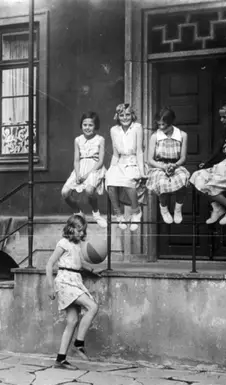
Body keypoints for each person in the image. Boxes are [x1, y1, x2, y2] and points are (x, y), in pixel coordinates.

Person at [45, 214, 100, 370]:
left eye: (83, 231)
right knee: (93, 307)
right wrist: (50, 286)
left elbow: (77, 265)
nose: (81, 233)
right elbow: (49, 264)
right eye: (79, 230)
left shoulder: (78, 245)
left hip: (75, 281)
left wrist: (91, 272)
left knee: (72, 321)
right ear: (70, 228)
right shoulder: (63, 243)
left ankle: (60, 359)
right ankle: (79, 343)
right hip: (65, 282)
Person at [105, 103, 147, 231]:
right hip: (120, 162)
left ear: (132, 115)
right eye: (121, 115)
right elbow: (115, 154)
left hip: (134, 161)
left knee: (128, 181)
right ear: (117, 116)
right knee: (110, 182)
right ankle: (119, 215)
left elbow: (139, 151)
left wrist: (142, 171)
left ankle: (136, 212)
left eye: (127, 114)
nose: (125, 118)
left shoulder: (137, 127)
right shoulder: (113, 130)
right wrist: (111, 169)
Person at [61, 112, 107, 228]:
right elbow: (76, 160)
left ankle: (96, 213)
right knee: (65, 192)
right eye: (84, 125)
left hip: (95, 168)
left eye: (90, 125)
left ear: (95, 126)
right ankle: (78, 212)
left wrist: (87, 175)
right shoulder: (78, 140)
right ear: (81, 125)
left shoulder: (100, 139)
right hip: (80, 168)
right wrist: (78, 174)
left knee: (89, 190)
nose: (87, 127)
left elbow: (100, 161)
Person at [146, 107, 190, 224]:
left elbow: (183, 158)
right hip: (159, 166)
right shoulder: (155, 136)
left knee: (183, 178)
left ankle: (178, 209)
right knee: (162, 182)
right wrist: (163, 167)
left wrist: (174, 165)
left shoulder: (182, 135)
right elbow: (150, 160)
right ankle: (164, 209)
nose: (161, 127)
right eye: (159, 124)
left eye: (164, 124)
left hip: (176, 164)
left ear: (171, 122)